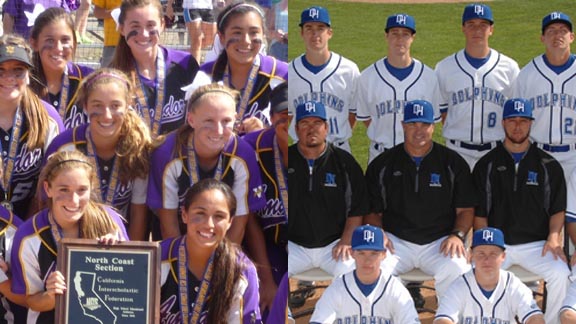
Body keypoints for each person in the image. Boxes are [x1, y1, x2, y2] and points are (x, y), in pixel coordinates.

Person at [364, 100, 475, 299]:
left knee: (457, 267)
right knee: (373, 266)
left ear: (434, 126)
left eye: (424, 124)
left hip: (440, 242)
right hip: (396, 242)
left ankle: (447, 318)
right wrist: (379, 232)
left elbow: (465, 210)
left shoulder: (452, 163)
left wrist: (457, 235)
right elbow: (373, 211)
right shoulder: (383, 164)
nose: (419, 130)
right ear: (403, 125)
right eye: (412, 124)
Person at [472, 98, 569, 324]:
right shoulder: (486, 164)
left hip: (536, 245)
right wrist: (484, 246)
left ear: (531, 123)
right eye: (512, 121)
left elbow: (557, 209)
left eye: (523, 121)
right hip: (497, 245)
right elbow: (480, 214)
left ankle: (552, 321)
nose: (518, 126)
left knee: (560, 273)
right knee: (476, 273)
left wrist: (554, 237)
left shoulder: (548, 164)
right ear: (503, 123)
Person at [10, 150, 129, 324]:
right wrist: (51, 296)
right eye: (64, 189)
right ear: (48, 188)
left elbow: (129, 290)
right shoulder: (29, 235)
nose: (73, 200)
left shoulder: (110, 222)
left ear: (91, 188)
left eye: (82, 190)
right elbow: (31, 301)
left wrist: (119, 255)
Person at [147, 83, 265, 243]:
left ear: (236, 119)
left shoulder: (243, 154)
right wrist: (180, 263)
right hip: (177, 240)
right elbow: (168, 226)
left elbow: (238, 225)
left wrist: (222, 262)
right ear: (191, 119)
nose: (218, 130)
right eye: (209, 120)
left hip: (223, 240)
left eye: (226, 121)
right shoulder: (167, 153)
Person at [45, 68, 153, 241]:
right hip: (71, 239)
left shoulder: (138, 148)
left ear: (129, 105)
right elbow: (46, 204)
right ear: (85, 106)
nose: (107, 115)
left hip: (118, 240)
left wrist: (130, 254)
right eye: (97, 105)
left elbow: (138, 212)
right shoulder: (64, 146)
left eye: (115, 105)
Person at [159, 178, 262, 323]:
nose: (209, 224)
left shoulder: (242, 271)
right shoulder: (157, 257)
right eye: (200, 213)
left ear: (230, 222)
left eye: (219, 216)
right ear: (184, 215)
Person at [288, 100, 369, 278]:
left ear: (326, 127)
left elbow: (357, 209)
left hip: (334, 245)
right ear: (296, 129)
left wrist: (346, 241)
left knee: (352, 273)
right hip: (294, 246)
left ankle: (333, 307)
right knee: (274, 271)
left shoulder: (344, 162)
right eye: (305, 123)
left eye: (317, 123)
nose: (311, 128)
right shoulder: (285, 160)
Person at [435, 3, 520, 168]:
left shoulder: (509, 67)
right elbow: (441, 112)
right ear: (463, 28)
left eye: (483, 25)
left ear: (491, 29)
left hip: (496, 151)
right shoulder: (444, 67)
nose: (477, 30)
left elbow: (517, 114)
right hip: (456, 152)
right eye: (471, 25)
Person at [187, 1, 288, 134]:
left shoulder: (283, 74)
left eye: (254, 32)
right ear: (222, 37)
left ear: (263, 35)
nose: (246, 40)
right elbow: (191, 132)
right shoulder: (205, 76)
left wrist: (266, 133)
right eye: (237, 32)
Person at [109, 0, 202, 138]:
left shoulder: (185, 64)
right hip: (133, 158)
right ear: (122, 29)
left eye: (150, 25)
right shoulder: (112, 75)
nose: (144, 34)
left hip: (176, 157)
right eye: (135, 26)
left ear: (163, 25)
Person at [356, 13, 441, 163]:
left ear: (412, 38)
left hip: (417, 156)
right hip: (380, 155)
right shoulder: (368, 76)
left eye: (405, 34)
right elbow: (366, 117)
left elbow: (431, 121)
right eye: (395, 34)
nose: (400, 39)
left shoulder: (429, 76)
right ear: (386, 36)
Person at [0, 34, 64, 218]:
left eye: (18, 70)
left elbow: (58, 178)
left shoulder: (47, 117)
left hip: (31, 221)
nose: (8, 77)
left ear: (29, 76)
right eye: (1, 70)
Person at [310, 224, 420, 324]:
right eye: (361, 253)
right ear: (352, 253)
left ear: (384, 254)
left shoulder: (395, 290)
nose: (367, 261)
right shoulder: (337, 289)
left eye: (374, 253)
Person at [434, 227, 545, 324]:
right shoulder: (459, 286)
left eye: (493, 254)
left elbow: (534, 317)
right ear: (471, 255)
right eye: (481, 253)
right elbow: (442, 320)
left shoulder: (513, 284)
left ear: (503, 256)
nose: (487, 260)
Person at [242, 81, 287, 317]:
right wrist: (266, 279)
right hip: (269, 245)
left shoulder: (319, 148)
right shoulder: (250, 147)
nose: (289, 121)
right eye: (283, 114)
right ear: (270, 117)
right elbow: (249, 219)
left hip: (310, 243)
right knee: (268, 305)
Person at [288, 5, 359, 153]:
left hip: (339, 150)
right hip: (301, 152)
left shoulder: (348, 70)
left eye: (320, 28)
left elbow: (353, 114)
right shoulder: (289, 72)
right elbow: (287, 117)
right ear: (302, 33)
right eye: (309, 28)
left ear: (329, 33)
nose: (315, 34)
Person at [513, 12, 576, 179]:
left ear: (571, 37)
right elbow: (516, 120)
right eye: (551, 31)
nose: (557, 35)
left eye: (562, 30)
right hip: (538, 155)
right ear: (542, 38)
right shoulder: (527, 74)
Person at [29, 7, 94, 130]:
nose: (58, 48)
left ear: (75, 42)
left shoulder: (89, 79)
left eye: (65, 40)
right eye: (50, 40)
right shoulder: (23, 82)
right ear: (34, 43)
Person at [2, 0, 78, 40]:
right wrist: (8, 38)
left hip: (49, 45)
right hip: (23, 45)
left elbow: (67, 17)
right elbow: (9, 15)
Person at [92, 0, 122, 68]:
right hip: (112, 43)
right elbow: (97, 12)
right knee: (107, 76)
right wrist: (114, 13)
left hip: (136, 41)